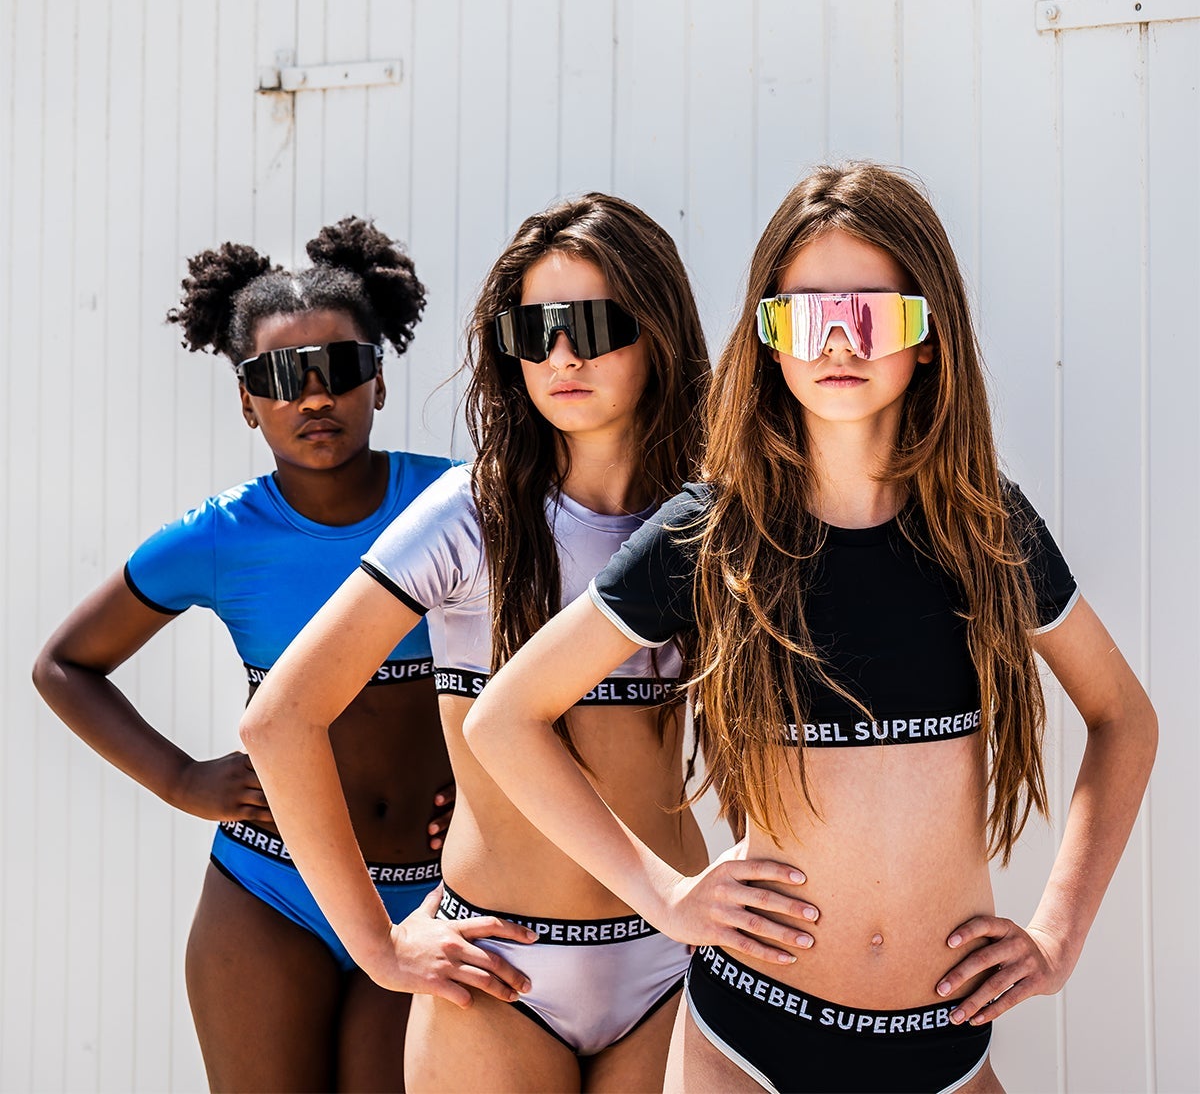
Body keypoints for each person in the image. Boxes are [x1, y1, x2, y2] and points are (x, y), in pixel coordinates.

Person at [466, 162, 1158, 1094]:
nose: (837, 340)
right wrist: (665, 896)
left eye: (868, 314)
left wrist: (1060, 933)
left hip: (943, 1047)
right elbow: (502, 718)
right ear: (767, 339)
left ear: (926, 335)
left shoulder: (984, 525)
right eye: (803, 316)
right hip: (750, 1039)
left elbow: (1124, 717)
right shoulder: (710, 533)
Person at [33, 217, 531, 1094]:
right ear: (245, 398)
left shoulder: (461, 506)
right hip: (267, 896)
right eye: (279, 378)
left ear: (377, 380)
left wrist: (496, 804)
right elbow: (64, 665)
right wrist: (182, 780)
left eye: (339, 370)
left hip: (424, 894)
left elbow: (549, 672)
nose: (313, 398)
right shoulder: (220, 536)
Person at [241, 193, 715, 1092]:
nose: (563, 355)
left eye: (592, 324)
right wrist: (378, 946)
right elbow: (281, 720)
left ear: (658, 331)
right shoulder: (472, 513)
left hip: (672, 962)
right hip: (499, 975)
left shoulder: (708, 523)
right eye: (535, 331)